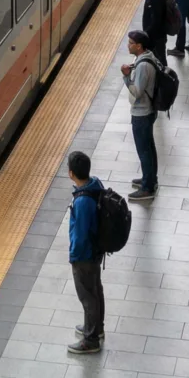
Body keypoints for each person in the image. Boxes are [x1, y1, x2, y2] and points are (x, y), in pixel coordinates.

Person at [66, 150, 104, 355]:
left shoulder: (81, 201)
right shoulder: (95, 185)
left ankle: (91, 340)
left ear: (71, 173)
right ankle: (96, 327)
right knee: (96, 289)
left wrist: (74, 256)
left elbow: (80, 235)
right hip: (96, 251)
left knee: (87, 295)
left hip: (85, 256)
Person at [122, 30, 159, 202]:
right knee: (149, 148)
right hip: (147, 111)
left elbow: (136, 92)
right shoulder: (147, 58)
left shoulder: (143, 65)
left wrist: (126, 76)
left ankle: (147, 188)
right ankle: (150, 178)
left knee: (144, 151)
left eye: (130, 43)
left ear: (139, 46)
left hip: (142, 113)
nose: (128, 45)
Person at [141, 0, 168, 66]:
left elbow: (156, 21)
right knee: (155, 61)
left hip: (156, 38)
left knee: (160, 61)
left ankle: (165, 79)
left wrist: (145, 33)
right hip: (154, 36)